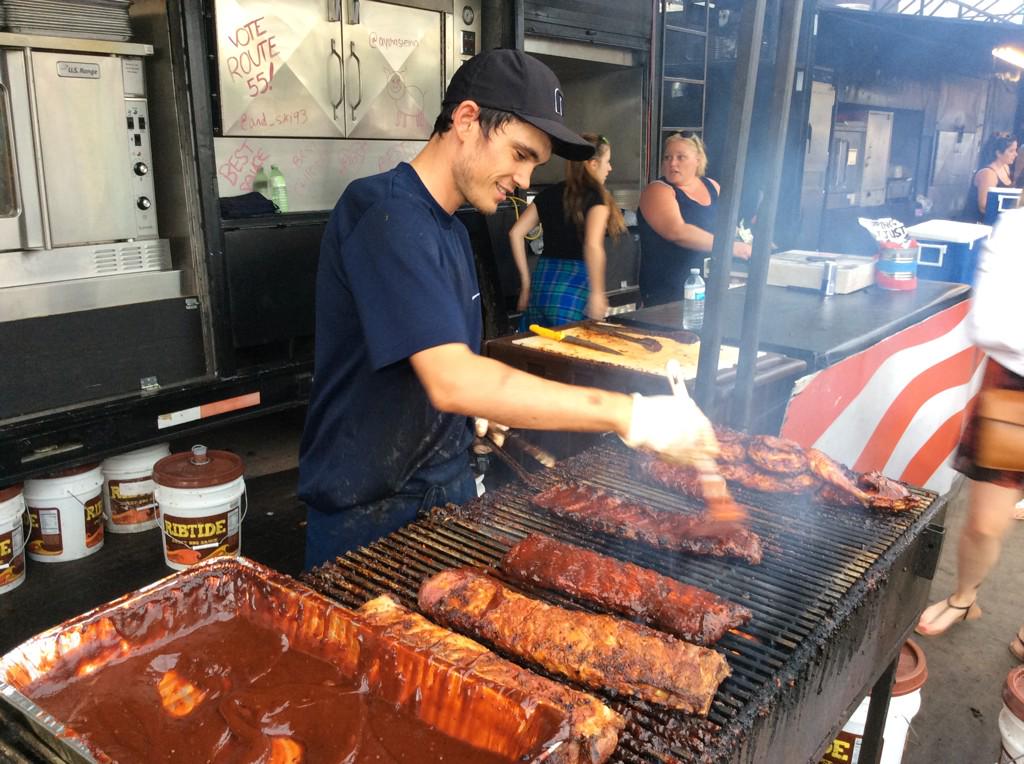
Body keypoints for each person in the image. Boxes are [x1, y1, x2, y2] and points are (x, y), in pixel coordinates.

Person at [298, 49, 720, 569]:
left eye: (534, 165)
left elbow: (435, 366)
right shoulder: (384, 212)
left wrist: (476, 413)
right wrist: (629, 413)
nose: (524, 181)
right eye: (520, 154)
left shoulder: (451, 228)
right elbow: (452, 379)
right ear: (468, 119)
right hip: (370, 513)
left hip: (443, 491)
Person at [914, 204, 1024, 648]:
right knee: (984, 522)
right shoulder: (1017, 227)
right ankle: (965, 597)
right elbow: (989, 324)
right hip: (1015, 391)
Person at [508, 133, 626, 326]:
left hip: (543, 282)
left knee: (537, 349)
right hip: (575, 286)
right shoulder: (596, 198)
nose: (610, 168)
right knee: (572, 351)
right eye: (607, 162)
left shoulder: (548, 194)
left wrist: (526, 284)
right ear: (593, 164)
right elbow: (592, 245)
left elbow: (515, 233)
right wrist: (597, 293)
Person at [636, 132, 752, 307]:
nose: (672, 163)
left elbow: (727, 227)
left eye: (681, 157)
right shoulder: (657, 190)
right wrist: (732, 247)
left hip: (710, 288)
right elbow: (677, 232)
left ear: (698, 159)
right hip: (668, 293)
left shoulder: (713, 186)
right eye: (667, 157)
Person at [962, 132, 1017, 223]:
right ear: (998, 153)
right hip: (978, 223)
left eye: (1015, 150)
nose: (1015, 154)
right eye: (1011, 151)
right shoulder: (988, 173)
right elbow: (984, 207)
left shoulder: (1005, 167)